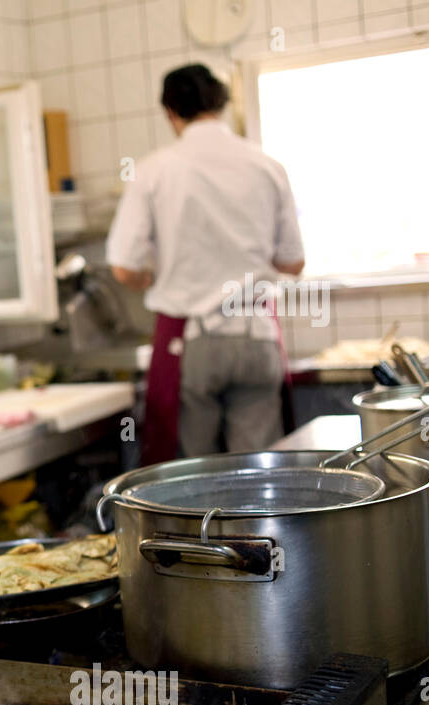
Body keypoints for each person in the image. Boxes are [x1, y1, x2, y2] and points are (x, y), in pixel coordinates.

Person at [106, 63, 306, 464]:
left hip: (191, 344)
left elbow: (123, 269)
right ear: (220, 104)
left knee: (193, 475)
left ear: (170, 112)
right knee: (259, 472)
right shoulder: (267, 166)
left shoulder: (155, 170)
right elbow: (293, 262)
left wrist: (153, 275)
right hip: (256, 338)